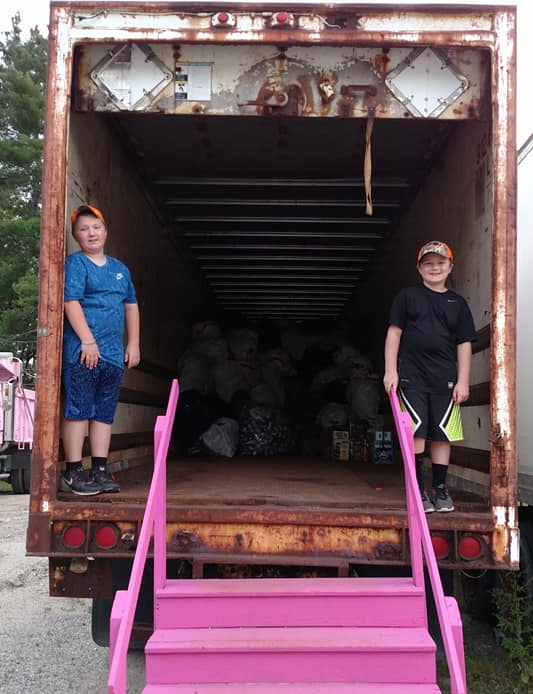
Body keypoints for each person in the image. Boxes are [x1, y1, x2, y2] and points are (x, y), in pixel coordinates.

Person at [383, 240, 476, 513]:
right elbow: (394, 333)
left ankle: (440, 488)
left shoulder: (458, 303)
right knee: (416, 433)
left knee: (442, 435)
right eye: (428, 264)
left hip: (445, 379)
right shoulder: (407, 297)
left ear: (450, 267)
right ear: (419, 268)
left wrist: (463, 380)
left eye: (440, 263)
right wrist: (391, 370)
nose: (434, 268)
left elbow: (465, 344)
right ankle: (417, 489)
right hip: (412, 377)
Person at [59, 204, 140, 495]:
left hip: (113, 355)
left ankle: (100, 469)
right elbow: (71, 302)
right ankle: (73, 471)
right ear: (75, 236)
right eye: (83, 229)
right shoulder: (76, 264)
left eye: (96, 227)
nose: (91, 233)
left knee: (104, 413)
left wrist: (133, 343)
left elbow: (131, 305)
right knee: (79, 410)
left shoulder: (121, 269)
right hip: (83, 352)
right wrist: (87, 340)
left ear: (105, 231)